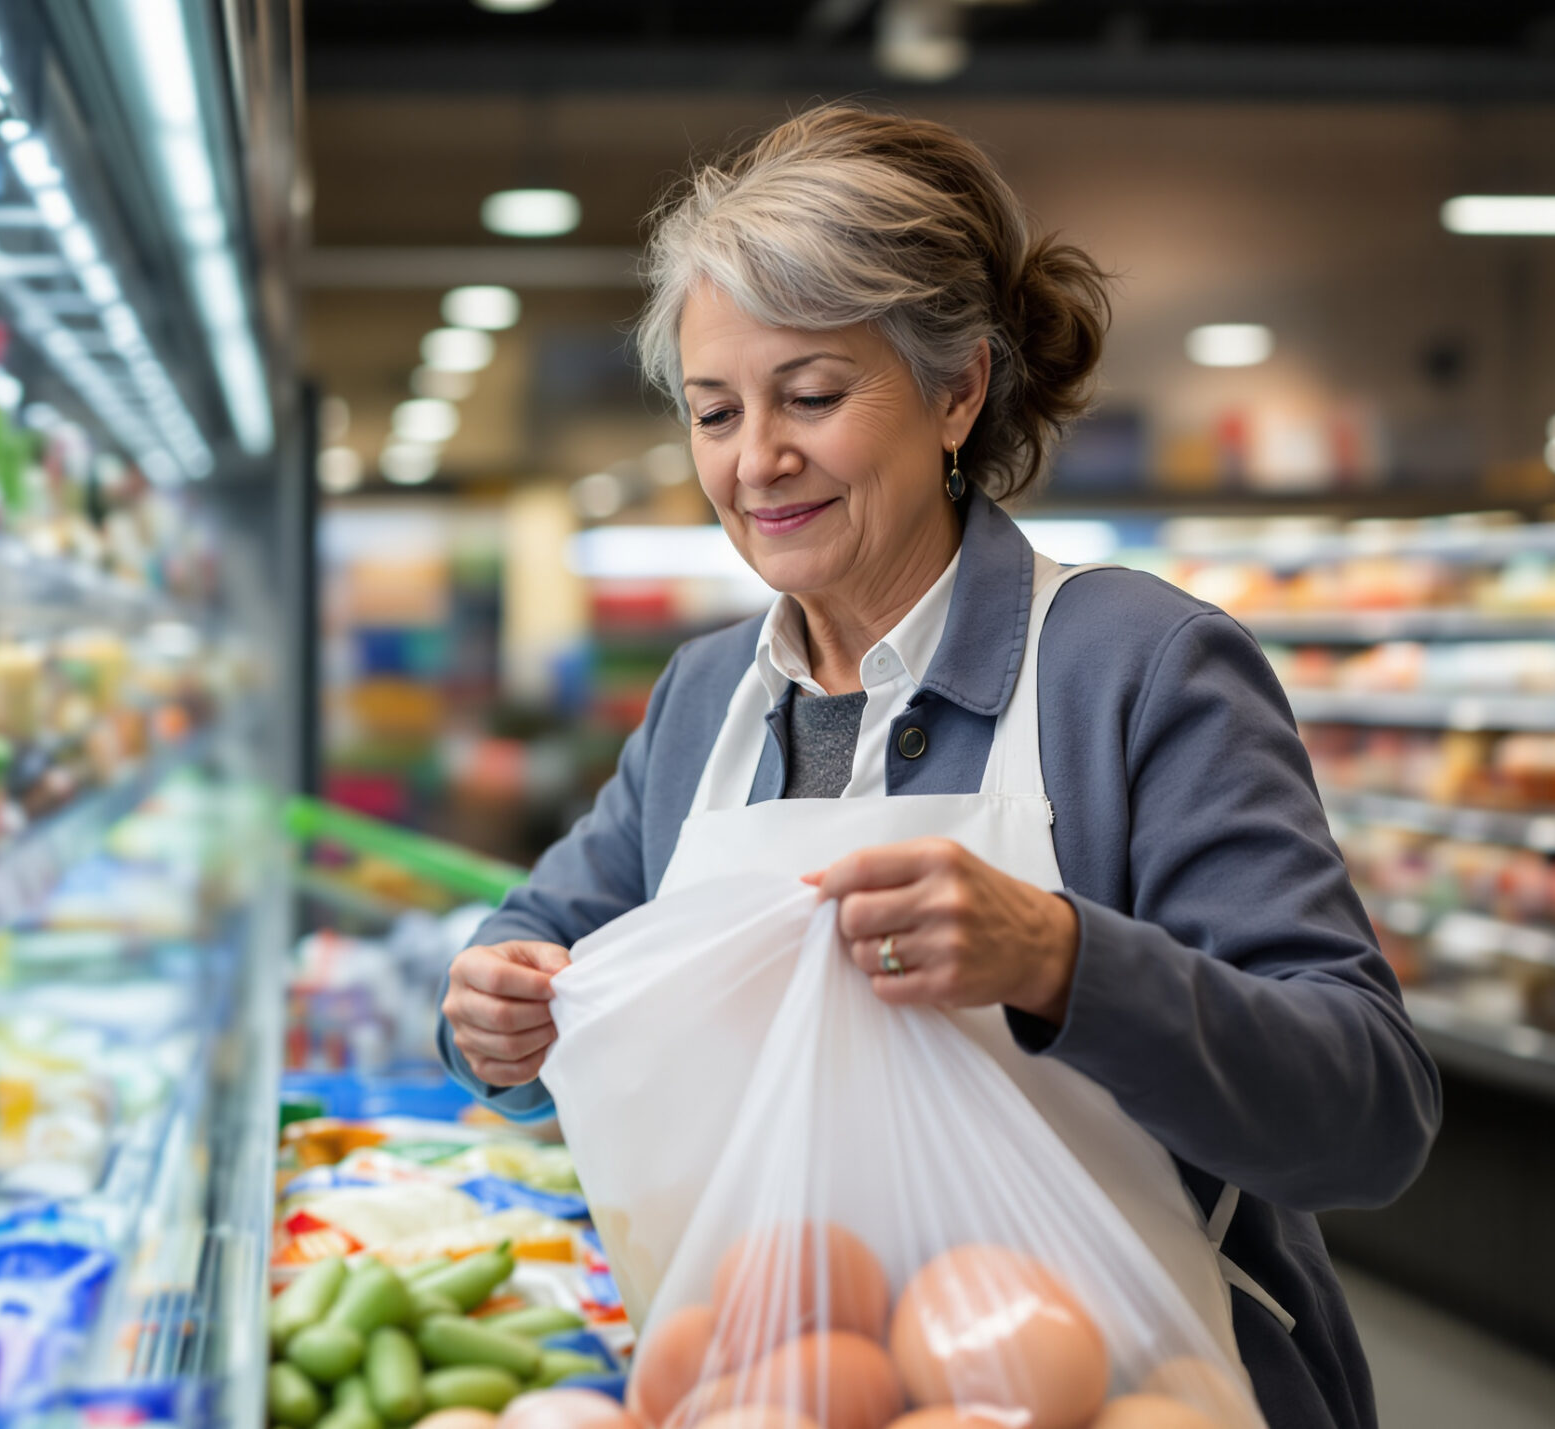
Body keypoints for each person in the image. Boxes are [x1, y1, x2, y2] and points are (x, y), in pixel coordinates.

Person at [435, 104, 1440, 1429]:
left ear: (956, 388)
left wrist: (1062, 960)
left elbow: (1368, 1106)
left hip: (1141, 1384)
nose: (755, 461)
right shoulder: (705, 706)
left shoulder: (1139, 669)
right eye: (715, 410)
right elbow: (535, 944)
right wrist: (492, 1019)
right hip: (796, 1379)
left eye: (811, 396)